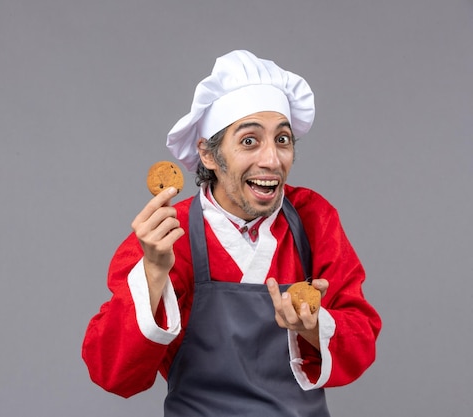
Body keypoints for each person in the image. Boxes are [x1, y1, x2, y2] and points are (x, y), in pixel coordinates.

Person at [82, 49, 381, 416]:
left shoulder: (313, 218)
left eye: (282, 140)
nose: (272, 160)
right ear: (208, 154)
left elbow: (363, 339)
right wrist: (153, 272)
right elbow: (111, 372)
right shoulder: (167, 235)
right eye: (250, 141)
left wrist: (315, 325)